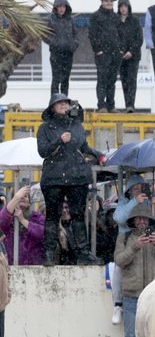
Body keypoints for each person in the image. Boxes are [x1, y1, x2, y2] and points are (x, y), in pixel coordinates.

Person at [37, 94, 104, 266]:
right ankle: (49, 253)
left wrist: (99, 155)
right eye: (59, 103)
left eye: (66, 103)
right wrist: (59, 140)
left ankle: (83, 253)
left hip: (77, 176)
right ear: (52, 107)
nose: (64, 105)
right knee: (52, 215)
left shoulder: (77, 126)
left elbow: (84, 147)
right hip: (54, 177)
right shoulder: (45, 128)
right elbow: (43, 151)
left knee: (78, 215)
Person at [114, 203, 155, 337]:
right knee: (131, 336)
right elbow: (119, 261)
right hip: (131, 294)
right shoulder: (124, 238)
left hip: (154, 295)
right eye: (138, 219)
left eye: (144, 218)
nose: (142, 222)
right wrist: (134, 247)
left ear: (149, 221)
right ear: (133, 221)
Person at [89, 0, 120, 113]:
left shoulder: (116, 17)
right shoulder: (96, 16)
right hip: (102, 53)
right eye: (106, 1)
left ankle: (111, 105)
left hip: (115, 53)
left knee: (112, 80)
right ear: (102, 2)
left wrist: (120, 50)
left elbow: (121, 34)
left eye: (111, 1)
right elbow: (92, 34)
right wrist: (98, 50)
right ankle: (101, 105)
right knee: (102, 79)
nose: (109, 3)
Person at [0, 185, 45, 266]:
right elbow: (1, 222)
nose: (22, 197)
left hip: (34, 268)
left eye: (26, 196)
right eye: (19, 196)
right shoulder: (7, 217)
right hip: (10, 266)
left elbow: (44, 234)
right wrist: (16, 198)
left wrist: (22, 220)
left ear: (29, 203)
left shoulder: (37, 217)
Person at [46, 0, 78, 96]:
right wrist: (54, 43)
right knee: (56, 79)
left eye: (63, 6)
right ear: (55, 7)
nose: (61, 9)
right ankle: (54, 102)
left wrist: (73, 45)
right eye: (59, 6)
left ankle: (64, 101)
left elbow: (76, 35)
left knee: (65, 79)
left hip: (68, 54)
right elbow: (44, 35)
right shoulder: (50, 20)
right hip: (56, 54)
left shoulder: (70, 20)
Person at [115, 0, 141, 112]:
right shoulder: (115, 20)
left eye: (125, 6)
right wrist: (120, 51)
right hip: (120, 56)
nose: (123, 9)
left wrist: (131, 51)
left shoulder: (134, 20)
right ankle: (127, 105)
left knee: (132, 80)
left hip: (133, 56)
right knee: (124, 81)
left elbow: (139, 38)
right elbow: (114, 37)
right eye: (121, 6)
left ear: (128, 7)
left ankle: (131, 105)